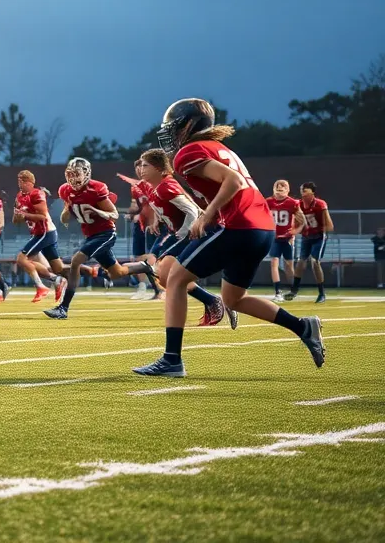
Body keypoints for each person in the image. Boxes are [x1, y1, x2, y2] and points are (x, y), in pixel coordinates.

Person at [133, 99, 325, 377]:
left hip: (239, 225)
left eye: (173, 127)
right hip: (262, 228)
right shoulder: (219, 147)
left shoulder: (188, 152)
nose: (169, 133)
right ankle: (303, 327)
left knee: (173, 279)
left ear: (187, 125)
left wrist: (206, 215)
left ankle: (172, 360)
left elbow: (232, 181)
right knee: (234, 298)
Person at [120, 149, 231, 328]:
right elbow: (164, 207)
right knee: (165, 278)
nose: (141, 169)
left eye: (145, 165)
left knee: (163, 272)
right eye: (139, 165)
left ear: (159, 168)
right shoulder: (153, 187)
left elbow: (192, 210)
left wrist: (185, 232)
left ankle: (210, 304)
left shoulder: (166, 185)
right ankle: (211, 301)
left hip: (196, 231)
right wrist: (157, 221)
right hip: (180, 233)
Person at [45, 158, 123, 320]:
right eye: (70, 174)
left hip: (106, 233)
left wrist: (98, 211)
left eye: (76, 174)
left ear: (86, 173)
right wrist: (66, 210)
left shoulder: (96, 189)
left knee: (76, 261)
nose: (73, 178)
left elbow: (114, 214)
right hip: (90, 235)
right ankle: (145, 267)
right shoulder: (65, 190)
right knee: (117, 272)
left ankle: (63, 308)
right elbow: (65, 218)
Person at [12, 171, 67, 304]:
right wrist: (18, 216)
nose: (20, 184)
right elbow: (16, 220)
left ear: (30, 183)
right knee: (58, 267)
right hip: (37, 233)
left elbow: (42, 216)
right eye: (19, 181)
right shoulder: (19, 196)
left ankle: (41, 286)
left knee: (22, 259)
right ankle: (58, 279)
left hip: (45, 232)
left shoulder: (37, 194)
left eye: (23, 182)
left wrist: (24, 215)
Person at [288, 182, 334, 303]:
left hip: (318, 236)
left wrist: (324, 228)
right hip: (306, 236)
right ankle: (294, 290)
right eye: (302, 190)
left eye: (305, 190)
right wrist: (295, 230)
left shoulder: (320, 204)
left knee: (315, 262)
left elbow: (329, 224)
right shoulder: (299, 205)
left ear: (312, 192)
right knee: (300, 262)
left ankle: (321, 293)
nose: (303, 193)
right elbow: (296, 221)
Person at [264, 179, 304, 302]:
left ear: (287, 190)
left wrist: (295, 232)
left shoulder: (292, 203)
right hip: (274, 238)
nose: (279, 190)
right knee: (274, 263)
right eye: (277, 188)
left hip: (287, 238)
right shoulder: (268, 202)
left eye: (282, 188)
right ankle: (277, 291)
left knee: (289, 266)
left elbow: (302, 221)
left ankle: (293, 289)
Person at [127, 161, 161, 300]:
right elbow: (135, 206)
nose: (140, 170)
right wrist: (132, 214)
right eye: (138, 168)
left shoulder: (157, 184)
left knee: (152, 258)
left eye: (143, 167)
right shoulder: (136, 187)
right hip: (140, 225)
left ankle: (160, 289)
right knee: (139, 257)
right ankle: (142, 288)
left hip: (155, 225)